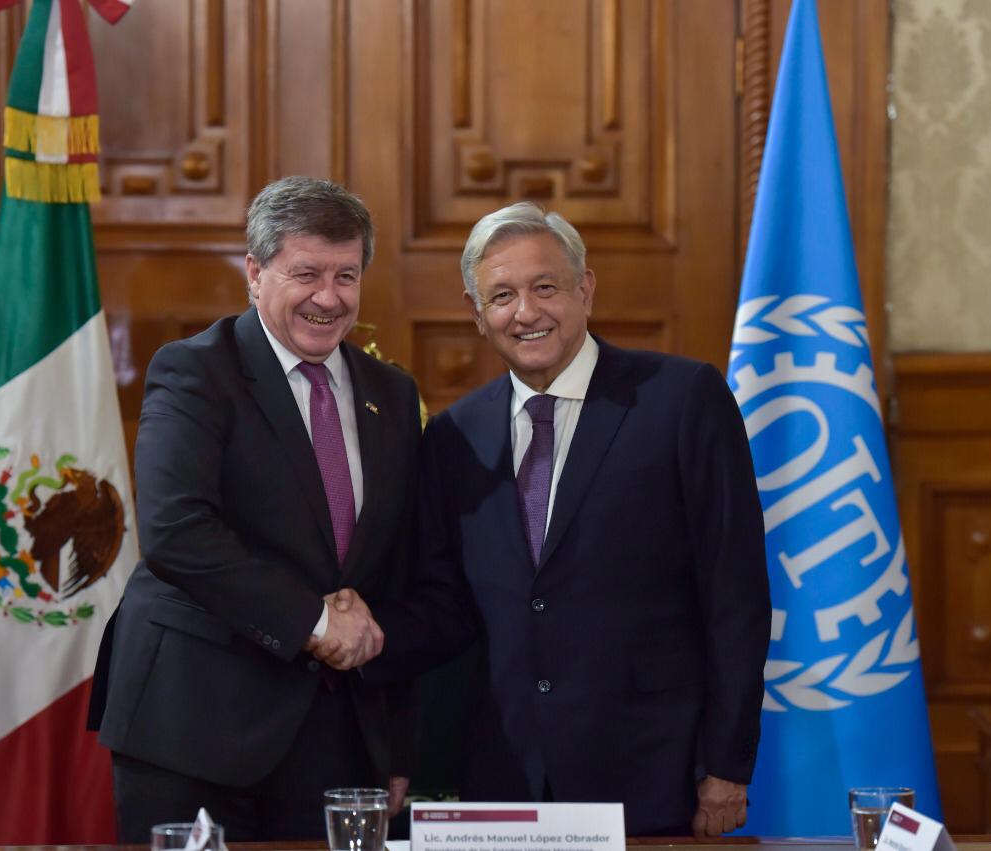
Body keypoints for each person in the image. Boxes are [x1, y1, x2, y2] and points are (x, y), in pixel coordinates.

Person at [325, 201, 771, 837]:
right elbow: (446, 605)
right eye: (501, 295)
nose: (525, 312)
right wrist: (357, 631)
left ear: (585, 289)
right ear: (479, 316)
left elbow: (736, 594)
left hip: (654, 769)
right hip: (504, 774)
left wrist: (726, 766)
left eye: (544, 287)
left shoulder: (682, 400)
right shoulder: (456, 436)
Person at [90, 176, 421, 841]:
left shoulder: (390, 391)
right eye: (306, 274)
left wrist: (399, 742)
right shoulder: (195, 371)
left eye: (346, 276)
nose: (329, 298)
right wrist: (314, 617)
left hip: (334, 732)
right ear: (255, 273)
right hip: (194, 725)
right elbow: (176, 532)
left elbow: (398, 570)